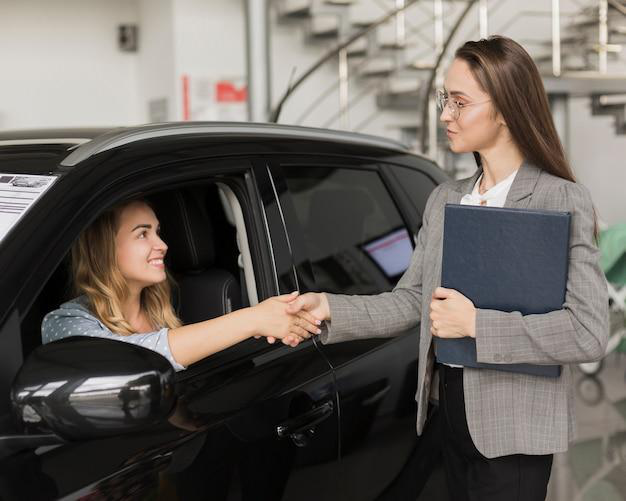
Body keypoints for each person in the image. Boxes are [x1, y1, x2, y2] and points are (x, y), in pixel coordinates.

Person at [282, 36, 610, 500]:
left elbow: (589, 331)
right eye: (444, 100)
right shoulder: (445, 199)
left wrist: (476, 324)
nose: (444, 116)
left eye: (459, 102)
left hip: (513, 429)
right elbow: (412, 299)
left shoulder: (560, 198)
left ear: (506, 108)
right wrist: (329, 307)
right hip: (448, 409)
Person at [41, 199, 322, 370]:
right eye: (142, 234)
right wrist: (253, 319)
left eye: (158, 232)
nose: (161, 245)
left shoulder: (166, 305)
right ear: (103, 249)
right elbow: (131, 360)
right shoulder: (64, 322)